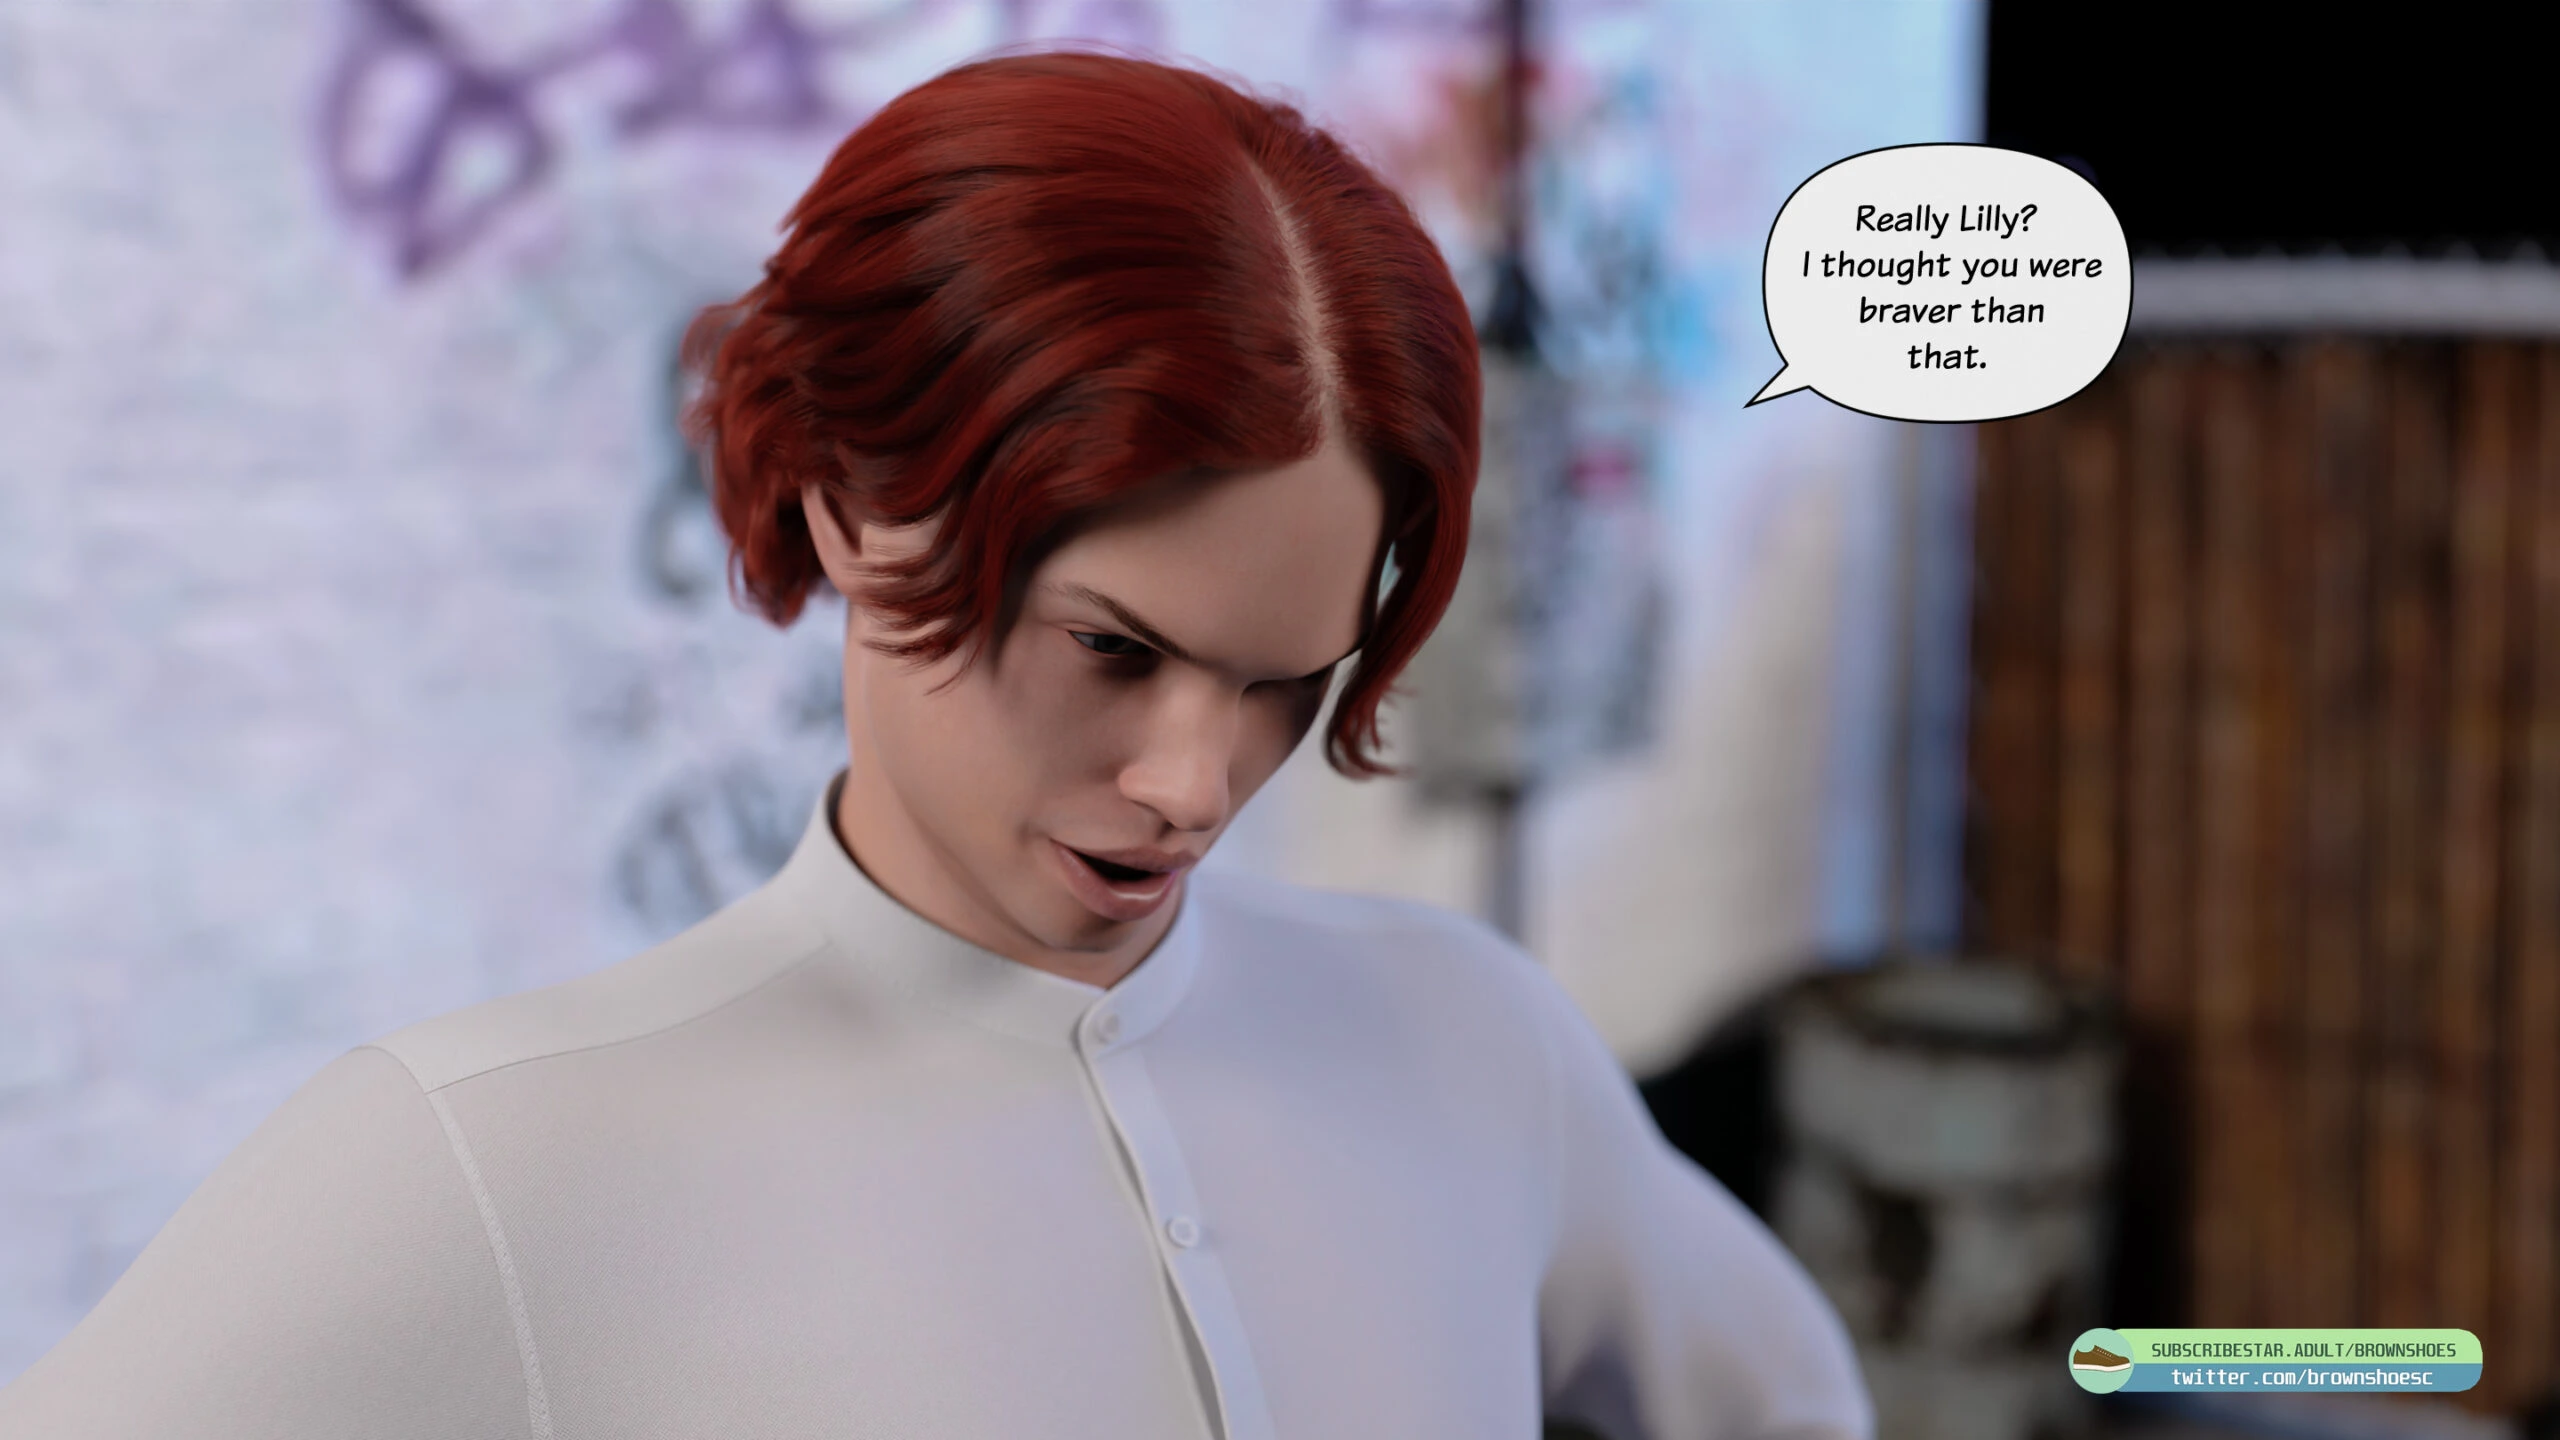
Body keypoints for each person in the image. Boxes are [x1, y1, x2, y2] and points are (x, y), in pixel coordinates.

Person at [0, 51, 1870, 1440]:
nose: (1195, 786)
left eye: (1286, 685)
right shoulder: (482, 1162)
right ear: (844, 503)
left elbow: (1794, 1403)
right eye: (1112, 651)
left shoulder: (1468, 1043)